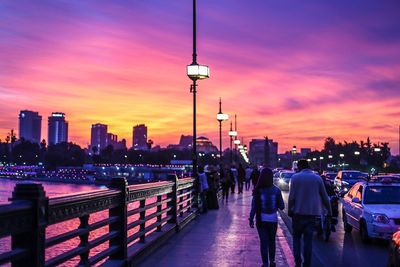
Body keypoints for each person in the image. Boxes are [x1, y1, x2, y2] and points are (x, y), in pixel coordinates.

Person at [288, 159, 331, 267]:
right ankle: (307, 264)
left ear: (300, 167)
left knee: (296, 239)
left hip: (297, 214)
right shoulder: (317, 178)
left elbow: (291, 197)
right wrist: (329, 211)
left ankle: (297, 262)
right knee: (308, 241)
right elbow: (325, 197)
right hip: (311, 216)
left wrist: (290, 210)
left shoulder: (295, 178)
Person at [249, 167, 284, 267]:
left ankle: (265, 263)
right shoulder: (277, 190)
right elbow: (282, 206)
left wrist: (251, 219)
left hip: (261, 220)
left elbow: (254, 207)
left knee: (263, 242)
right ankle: (272, 261)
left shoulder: (257, 190)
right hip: (273, 219)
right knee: (272, 241)